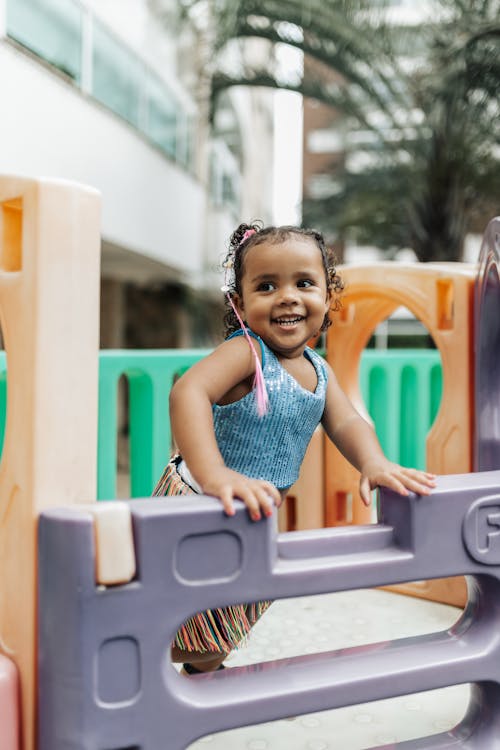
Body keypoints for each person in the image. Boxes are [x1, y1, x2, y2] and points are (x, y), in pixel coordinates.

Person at [153, 221, 436, 676]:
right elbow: (188, 392)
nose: (287, 296)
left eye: (304, 283)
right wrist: (215, 474)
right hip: (200, 499)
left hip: (254, 508)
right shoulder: (247, 354)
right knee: (173, 614)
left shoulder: (318, 370)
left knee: (224, 618)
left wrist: (375, 462)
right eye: (267, 286)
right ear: (241, 306)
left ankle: (204, 679)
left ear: (328, 299)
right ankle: (118, 666)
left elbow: (346, 421)